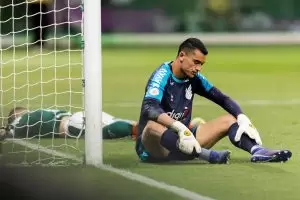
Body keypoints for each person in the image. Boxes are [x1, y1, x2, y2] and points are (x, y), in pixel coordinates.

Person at [135, 37, 292, 164]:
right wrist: (179, 128)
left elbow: (222, 98)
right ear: (181, 56)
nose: (198, 68)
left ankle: (258, 151)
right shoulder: (162, 75)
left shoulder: (194, 77)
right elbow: (150, 108)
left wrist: (242, 117)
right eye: (196, 62)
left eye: (201, 64)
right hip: (156, 148)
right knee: (152, 126)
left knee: (229, 119)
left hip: (187, 140)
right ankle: (204, 155)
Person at [0, 107, 137, 140]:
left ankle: (137, 130)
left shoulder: (20, 123)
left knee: (104, 132)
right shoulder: (41, 112)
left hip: (71, 125)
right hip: (78, 115)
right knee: (115, 121)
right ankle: (142, 127)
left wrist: (6, 130)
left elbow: (7, 132)